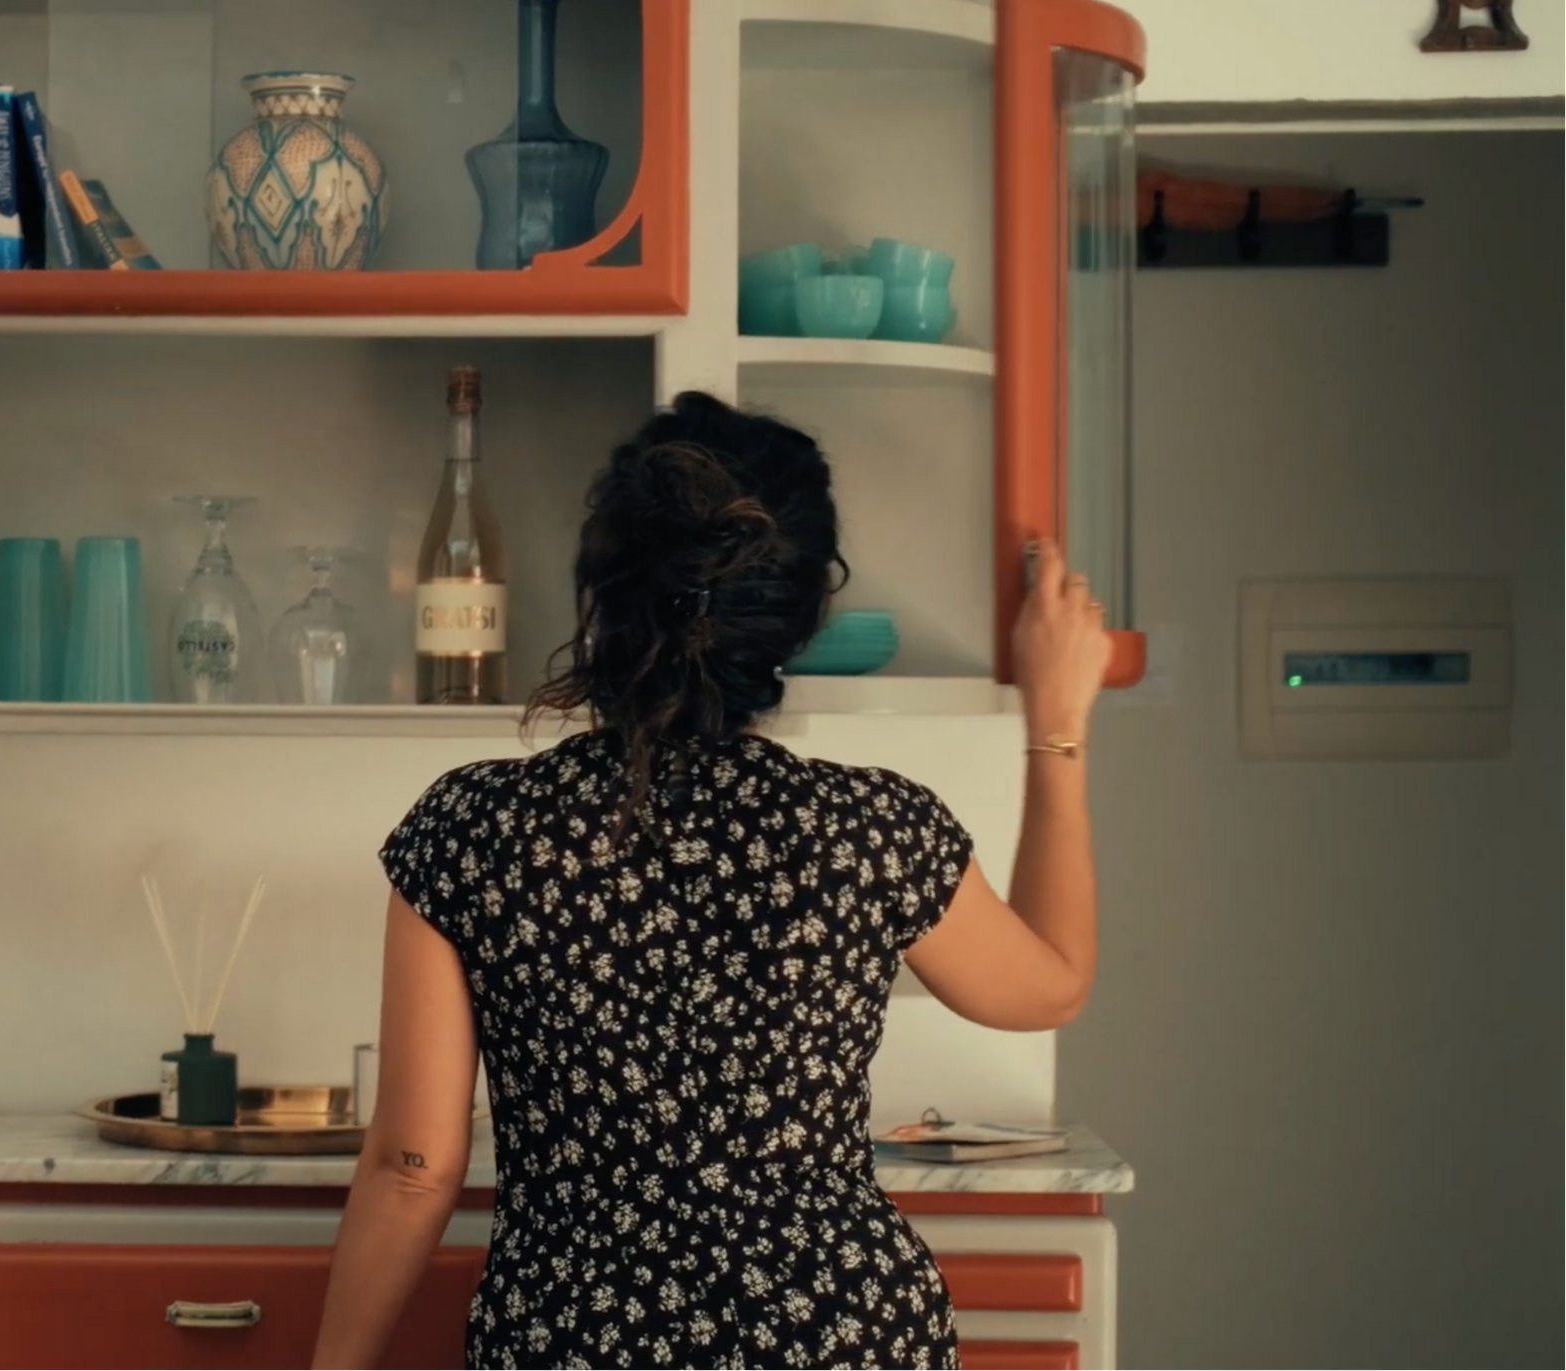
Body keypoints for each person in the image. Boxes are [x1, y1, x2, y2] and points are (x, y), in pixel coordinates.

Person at [309, 391, 1113, 1371]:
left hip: (582, 1341)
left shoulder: (476, 828)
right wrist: (1057, 722)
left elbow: (411, 1167)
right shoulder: (869, 828)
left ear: (599, 595)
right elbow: (1051, 983)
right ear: (805, 613)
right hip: (845, 1334)